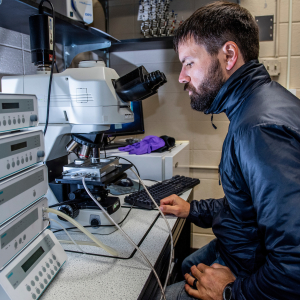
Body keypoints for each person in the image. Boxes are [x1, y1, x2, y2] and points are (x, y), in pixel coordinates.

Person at [156, 2, 300, 300]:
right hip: (239, 250)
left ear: (229, 55)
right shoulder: (256, 106)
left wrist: (230, 293)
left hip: (250, 276)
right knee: (186, 263)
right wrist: (192, 209)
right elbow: (244, 206)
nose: (182, 77)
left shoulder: (259, 130)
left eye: (189, 63)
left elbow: (293, 265)